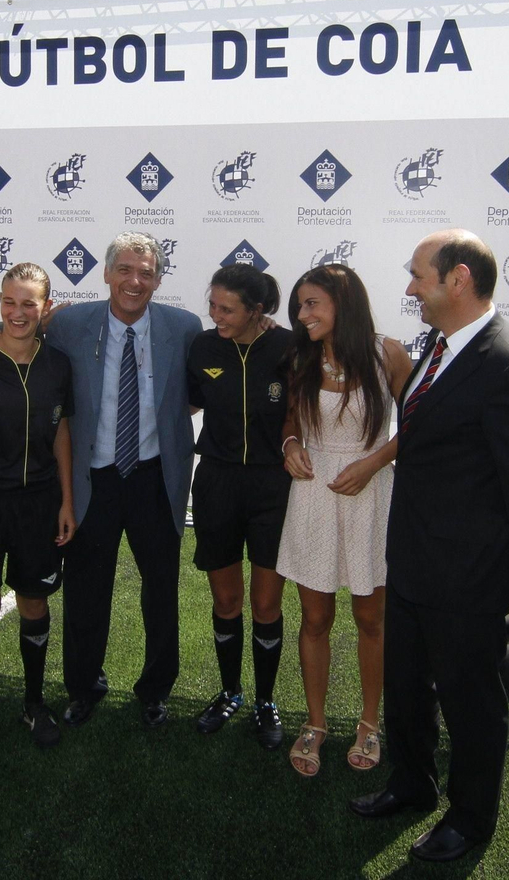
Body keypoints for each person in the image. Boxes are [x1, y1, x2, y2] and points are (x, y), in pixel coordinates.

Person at [349, 229, 509, 863]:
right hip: (416, 562)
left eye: (419, 275)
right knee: (407, 686)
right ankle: (412, 785)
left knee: (471, 704)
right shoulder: (439, 349)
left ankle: (470, 821)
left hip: (468, 578)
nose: (409, 287)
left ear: (459, 281)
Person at [18, 231, 202, 729]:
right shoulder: (70, 324)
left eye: (146, 273)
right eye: (125, 269)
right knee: (85, 590)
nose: (134, 281)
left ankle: (155, 690)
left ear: (159, 280)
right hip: (91, 478)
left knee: (161, 590)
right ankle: (83, 686)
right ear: (106, 273)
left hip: (154, 478)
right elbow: (20, 331)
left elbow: (213, 373)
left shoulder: (184, 327)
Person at [278, 263, 412, 777]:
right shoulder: (300, 355)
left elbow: (419, 422)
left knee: (372, 620)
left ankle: (370, 722)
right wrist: (290, 444)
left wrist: (374, 461)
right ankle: (315, 723)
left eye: (312, 303)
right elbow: (291, 419)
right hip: (312, 494)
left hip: (370, 491)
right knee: (315, 619)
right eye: (299, 305)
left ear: (343, 303)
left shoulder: (388, 353)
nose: (302, 313)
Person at [0, 263, 76, 753]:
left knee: (33, 603)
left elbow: (63, 431)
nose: (17, 313)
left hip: (40, 504)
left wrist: (67, 500)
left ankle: (33, 701)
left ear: (46, 307)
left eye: (29, 303)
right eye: (9, 302)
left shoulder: (58, 364)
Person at [186, 265, 295, 749]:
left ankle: (265, 701)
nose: (215, 315)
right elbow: (183, 404)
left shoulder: (290, 347)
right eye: (212, 305)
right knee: (226, 600)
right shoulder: (204, 347)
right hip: (217, 484)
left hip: (275, 488)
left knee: (266, 603)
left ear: (257, 310)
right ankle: (230, 691)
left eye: (226, 308)